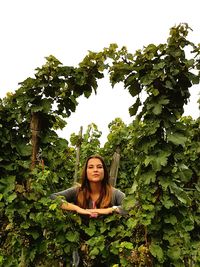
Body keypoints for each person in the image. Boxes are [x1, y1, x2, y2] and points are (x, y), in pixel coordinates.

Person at [50, 154, 125, 217]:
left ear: (104, 171)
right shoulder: (77, 191)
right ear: (85, 172)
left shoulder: (114, 193)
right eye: (90, 167)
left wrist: (110, 210)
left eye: (99, 167)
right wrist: (77, 209)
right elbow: (52, 197)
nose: (95, 170)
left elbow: (132, 207)